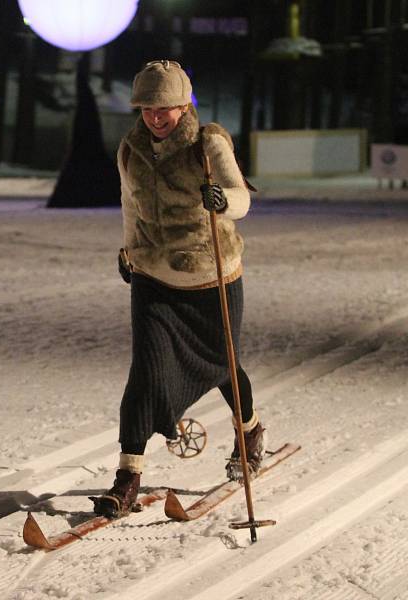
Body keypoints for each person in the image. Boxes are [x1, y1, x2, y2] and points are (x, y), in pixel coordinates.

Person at [92, 60, 264, 518]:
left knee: (225, 365)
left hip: (211, 273)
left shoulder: (208, 143)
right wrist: (130, 248)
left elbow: (242, 196)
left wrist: (224, 201)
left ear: (183, 104)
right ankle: (127, 478)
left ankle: (248, 432)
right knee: (144, 371)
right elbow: (131, 204)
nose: (155, 116)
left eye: (165, 107)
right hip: (153, 275)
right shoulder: (131, 147)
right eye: (147, 107)